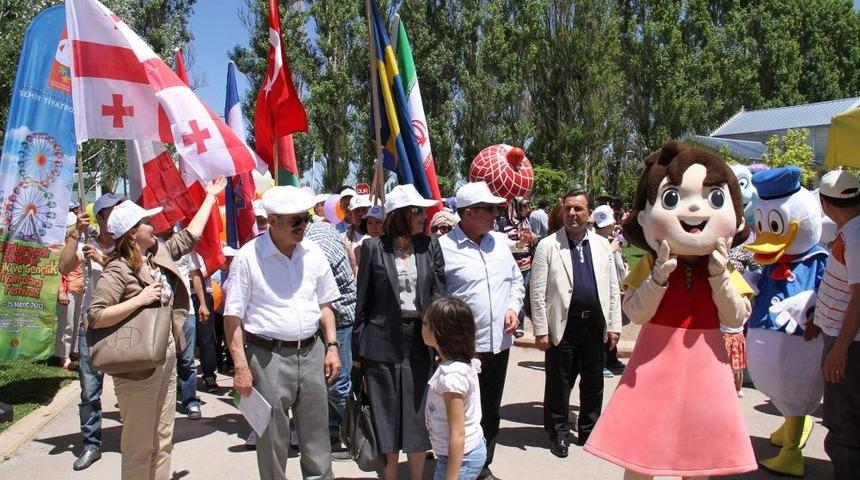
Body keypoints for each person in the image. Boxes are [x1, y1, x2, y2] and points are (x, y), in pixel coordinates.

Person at [583, 141, 756, 479]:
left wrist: (719, 276)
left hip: (707, 367)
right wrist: (658, 277)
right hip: (653, 364)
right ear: (644, 217)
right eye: (673, 198)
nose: (694, 209)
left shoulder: (723, 267)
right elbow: (636, 312)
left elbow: (735, 316)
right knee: (641, 456)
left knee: (699, 460)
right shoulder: (651, 263)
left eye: (714, 198)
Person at [87, 177, 225, 480]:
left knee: (163, 438)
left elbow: (190, 237)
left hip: (165, 354)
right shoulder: (118, 269)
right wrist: (139, 300)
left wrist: (210, 197)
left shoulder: (157, 253)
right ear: (132, 234)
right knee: (139, 445)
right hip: (137, 366)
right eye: (147, 222)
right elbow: (95, 316)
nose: (153, 226)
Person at [224, 185, 341, 480]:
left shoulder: (313, 252)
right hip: (267, 358)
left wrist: (332, 346)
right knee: (272, 440)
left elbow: (325, 305)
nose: (303, 226)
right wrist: (240, 366)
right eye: (295, 221)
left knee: (317, 438)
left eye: (306, 218)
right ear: (273, 221)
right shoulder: (248, 257)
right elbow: (232, 316)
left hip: (312, 353)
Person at [353, 183, 444, 480]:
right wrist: (357, 353)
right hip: (381, 343)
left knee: (418, 416)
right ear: (401, 214)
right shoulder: (373, 248)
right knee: (386, 418)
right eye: (418, 211)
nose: (423, 216)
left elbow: (439, 294)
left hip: (420, 340)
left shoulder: (429, 245)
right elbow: (363, 302)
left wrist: (441, 343)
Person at [438, 181, 525, 480]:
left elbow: (516, 281)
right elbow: (437, 299)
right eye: (489, 209)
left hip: (498, 344)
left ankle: (483, 466)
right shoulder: (443, 248)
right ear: (469, 213)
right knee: (462, 413)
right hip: (463, 350)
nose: (495, 214)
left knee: (490, 409)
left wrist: (512, 307)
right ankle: (457, 466)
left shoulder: (499, 243)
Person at [530, 190, 621, 458]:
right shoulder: (548, 245)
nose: (572, 213)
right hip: (563, 326)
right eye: (568, 208)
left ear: (588, 213)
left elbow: (612, 288)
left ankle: (589, 431)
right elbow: (537, 291)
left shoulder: (602, 245)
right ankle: (558, 433)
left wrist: (614, 325)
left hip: (594, 325)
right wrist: (541, 329)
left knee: (593, 382)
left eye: (578, 209)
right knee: (558, 383)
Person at [59, 193, 124, 471]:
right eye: (112, 211)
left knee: (128, 387)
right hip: (92, 326)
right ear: (99, 217)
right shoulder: (87, 243)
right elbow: (63, 267)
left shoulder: (128, 244)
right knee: (89, 391)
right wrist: (75, 233)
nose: (118, 215)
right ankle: (90, 444)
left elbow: (134, 272)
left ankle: (135, 437)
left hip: (123, 324)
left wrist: (103, 259)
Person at [813, 169, 860, 479]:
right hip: (843, 339)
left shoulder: (855, 237)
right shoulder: (850, 232)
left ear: (825, 204)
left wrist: (840, 350)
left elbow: (859, 297)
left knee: (844, 423)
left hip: (850, 345)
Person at [305, 218, 358, 459]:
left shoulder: (314, 244)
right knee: (326, 382)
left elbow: (317, 291)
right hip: (331, 317)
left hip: (340, 318)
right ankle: (333, 433)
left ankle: (360, 437)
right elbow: (349, 255)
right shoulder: (322, 229)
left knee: (337, 383)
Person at [422, 297, 486, 480]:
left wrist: (451, 476)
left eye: (425, 324)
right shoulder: (459, 363)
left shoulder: (451, 378)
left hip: (461, 458)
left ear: (440, 332)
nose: (422, 327)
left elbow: (457, 434)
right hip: (462, 453)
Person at [591, 204, 627, 376]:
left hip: (613, 287)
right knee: (602, 328)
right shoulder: (595, 241)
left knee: (612, 324)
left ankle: (611, 358)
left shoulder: (609, 239)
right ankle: (601, 362)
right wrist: (610, 251)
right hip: (600, 291)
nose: (613, 224)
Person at [56, 211, 84, 370]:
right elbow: (58, 272)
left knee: (76, 323)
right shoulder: (62, 248)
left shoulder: (78, 245)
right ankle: (63, 356)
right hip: (68, 289)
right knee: (67, 324)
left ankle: (72, 351)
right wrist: (61, 291)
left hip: (79, 289)